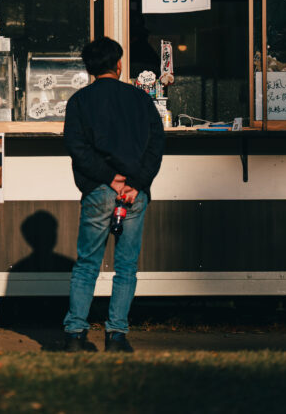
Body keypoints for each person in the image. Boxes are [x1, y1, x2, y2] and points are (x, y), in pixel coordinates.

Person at [61, 37, 164, 353]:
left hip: (98, 190)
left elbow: (77, 147)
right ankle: (117, 335)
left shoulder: (79, 101)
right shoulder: (140, 99)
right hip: (134, 193)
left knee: (87, 264)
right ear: (118, 65)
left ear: (89, 68)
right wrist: (135, 183)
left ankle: (75, 333)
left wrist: (110, 179)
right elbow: (155, 145)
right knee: (126, 267)